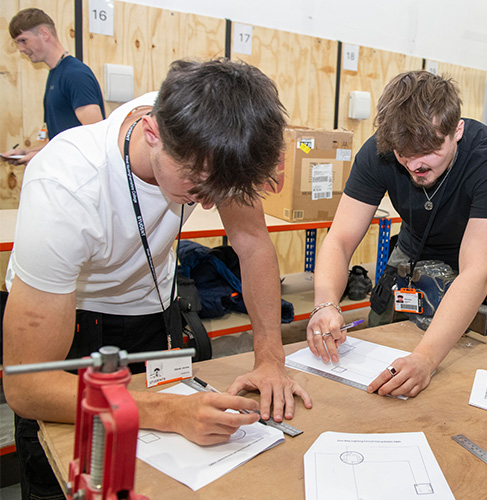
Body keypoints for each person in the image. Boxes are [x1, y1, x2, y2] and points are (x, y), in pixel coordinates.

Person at [3, 58, 312, 500]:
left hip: (150, 314)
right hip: (71, 323)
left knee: (159, 474)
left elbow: (252, 243)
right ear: (152, 133)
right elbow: (28, 385)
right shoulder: (65, 185)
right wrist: (167, 410)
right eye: (198, 187)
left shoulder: (210, 131)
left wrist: (269, 358)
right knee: (68, 474)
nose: (208, 205)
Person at [307, 70, 487, 397]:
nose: (415, 165)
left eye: (429, 151)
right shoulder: (380, 150)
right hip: (411, 257)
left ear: (457, 130)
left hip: (474, 269)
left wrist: (426, 358)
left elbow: (477, 271)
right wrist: (325, 304)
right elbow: (340, 239)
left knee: (464, 382)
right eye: (404, 155)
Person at [2, 8, 105, 165]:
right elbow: (59, 139)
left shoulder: (75, 74)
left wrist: (39, 156)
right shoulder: (56, 73)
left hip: (80, 173)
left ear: (44, 33)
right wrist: (26, 152)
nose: (21, 49)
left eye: (23, 40)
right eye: (17, 43)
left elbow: (94, 134)